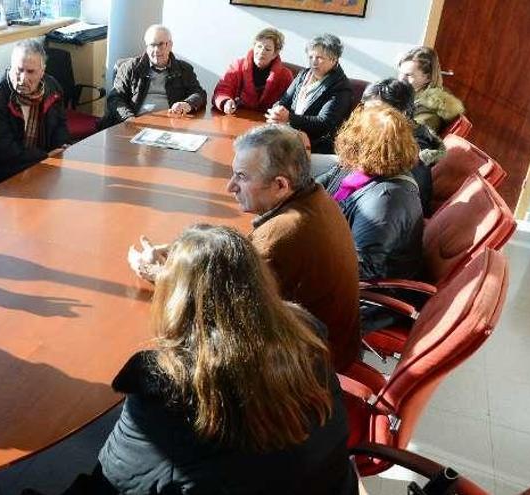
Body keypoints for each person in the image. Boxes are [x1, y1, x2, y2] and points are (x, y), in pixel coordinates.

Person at [95, 225, 357, 494]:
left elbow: (116, 478)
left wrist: (171, 278)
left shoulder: (165, 382)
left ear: (177, 298)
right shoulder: (307, 333)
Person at [129, 125, 360, 372]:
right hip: (326, 347)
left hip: (301, 370)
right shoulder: (315, 197)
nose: (230, 187)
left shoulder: (282, 235)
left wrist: (162, 275)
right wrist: (184, 251)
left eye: (242, 176)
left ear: (280, 185)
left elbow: (217, 304)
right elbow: (243, 257)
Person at [316, 103, 424, 283]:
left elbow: (361, 268)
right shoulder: (361, 166)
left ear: (362, 147)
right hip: (325, 243)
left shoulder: (386, 201)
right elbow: (325, 181)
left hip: (356, 295)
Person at [0, 39, 70, 190]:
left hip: (43, 171)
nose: (23, 78)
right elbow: (3, 150)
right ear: (11, 67)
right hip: (2, 178)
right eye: (19, 70)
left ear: (42, 71)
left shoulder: (53, 89)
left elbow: (60, 126)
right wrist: (46, 157)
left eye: (30, 72)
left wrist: (61, 149)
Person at [360, 78, 446, 215]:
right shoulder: (389, 133)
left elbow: (399, 202)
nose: (366, 118)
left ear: (403, 113)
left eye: (377, 112)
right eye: (366, 110)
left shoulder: (411, 152)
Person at [100, 24, 207, 128]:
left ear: (170, 45)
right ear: (147, 46)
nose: (156, 50)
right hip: (136, 124)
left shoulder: (184, 69)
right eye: (152, 45)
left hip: (171, 125)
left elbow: (199, 93)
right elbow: (115, 98)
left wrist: (187, 104)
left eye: (161, 44)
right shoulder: (130, 68)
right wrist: (129, 118)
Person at [266, 33, 352, 154]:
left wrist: (289, 118)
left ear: (334, 59)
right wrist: (277, 110)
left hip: (314, 146)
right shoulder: (304, 75)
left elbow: (324, 123)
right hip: (290, 135)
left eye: (319, 58)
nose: (314, 62)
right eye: (311, 57)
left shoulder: (341, 87)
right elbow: (285, 100)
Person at [212, 28, 294, 114]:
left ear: (275, 54)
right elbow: (222, 91)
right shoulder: (238, 66)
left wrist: (280, 112)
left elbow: (289, 104)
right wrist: (225, 102)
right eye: (259, 46)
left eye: (267, 49)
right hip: (238, 117)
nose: (261, 51)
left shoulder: (285, 75)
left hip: (268, 122)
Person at [398, 46, 465, 133]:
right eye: (400, 73)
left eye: (409, 75)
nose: (401, 79)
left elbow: (409, 141)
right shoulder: (409, 96)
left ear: (428, 77)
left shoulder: (429, 110)